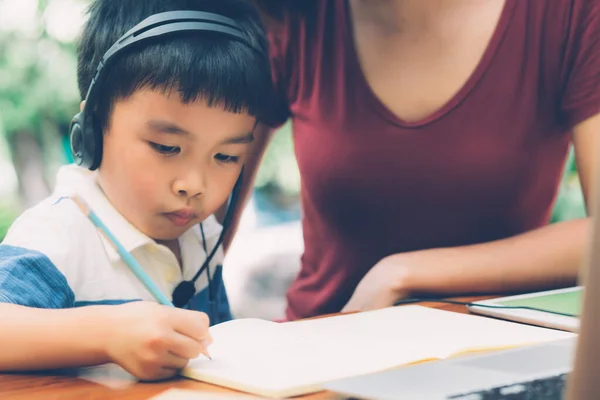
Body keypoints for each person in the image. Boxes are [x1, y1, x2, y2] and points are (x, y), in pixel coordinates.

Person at [232, 0, 600, 321]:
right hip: (320, 357)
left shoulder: (569, 13)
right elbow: (192, 226)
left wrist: (407, 272)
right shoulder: (288, 16)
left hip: (495, 356)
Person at [0, 0, 272, 381]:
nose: (193, 186)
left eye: (226, 156)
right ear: (92, 130)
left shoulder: (202, 236)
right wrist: (107, 333)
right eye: (166, 147)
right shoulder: (61, 234)